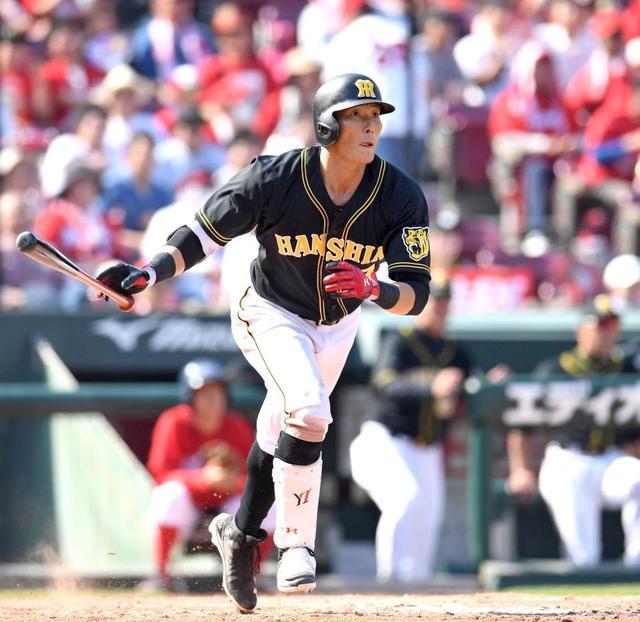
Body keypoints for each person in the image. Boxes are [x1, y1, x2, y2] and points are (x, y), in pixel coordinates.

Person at [95, 72, 431, 612]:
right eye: (356, 116)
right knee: (311, 411)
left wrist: (374, 288)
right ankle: (297, 545)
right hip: (269, 309)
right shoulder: (275, 176)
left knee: (282, 428)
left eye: (375, 116)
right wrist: (149, 274)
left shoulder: (399, 193)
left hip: (339, 324)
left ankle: (241, 533)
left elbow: (416, 295)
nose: (370, 126)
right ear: (327, 126)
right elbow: (203, 232)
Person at [349, 274, 470, 583]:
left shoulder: (455, 351)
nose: (439, 308)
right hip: (387, 441)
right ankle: (389, 582)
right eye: (434, 301)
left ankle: (416, 590)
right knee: (404, 499)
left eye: (444, 302)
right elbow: (383, 384)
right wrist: (431, 387)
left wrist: (488, 383)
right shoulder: (400, 340)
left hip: (427, 448)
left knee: (428, 519)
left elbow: (472, 386)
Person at [506, 296, 640, 567]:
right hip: (568, 461)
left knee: (637, 478)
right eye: (600, 326)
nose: (606, 334)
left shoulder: (625, 369)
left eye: (612, 327)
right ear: (581, 330)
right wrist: (520, 469)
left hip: (609, 458)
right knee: (583, 558)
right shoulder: (556, 369)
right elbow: (522, 425)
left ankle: (635, 565)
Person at [144, 358, 258, 591]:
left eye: (218, 392)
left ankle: (253, 576)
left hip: (227, 507)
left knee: (267, 505)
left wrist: (233, 483)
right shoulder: (174, 421)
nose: (214, 399)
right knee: (167, 495)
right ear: (190, 397)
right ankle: (161, 576)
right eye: (205, 393)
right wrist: (204, 479)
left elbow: (256, 477)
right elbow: (160, 473)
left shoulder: (237, 425)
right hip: (189, 508)